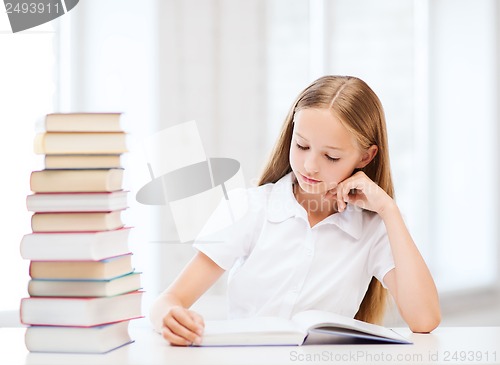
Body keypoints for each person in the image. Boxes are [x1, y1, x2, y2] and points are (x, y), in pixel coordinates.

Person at [150, 75, 441, 346]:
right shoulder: (249, 208)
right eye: (301, 146)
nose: (310, 165)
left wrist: (389, 210)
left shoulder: (373, 227)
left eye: (331, 156)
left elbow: (424, 320)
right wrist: (168, 316)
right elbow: (170, 299)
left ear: (366, 156)